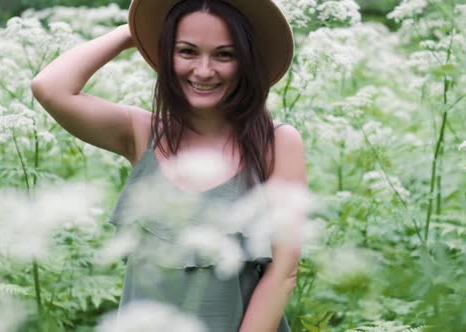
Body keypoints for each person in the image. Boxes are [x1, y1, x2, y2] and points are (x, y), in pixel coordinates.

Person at [31, 0, 307, 330]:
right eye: (187, 51)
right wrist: (132, 33)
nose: (204, 71)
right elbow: (49, 87)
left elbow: (284, 273)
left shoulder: (277, 144)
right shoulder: (142, 132)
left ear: (246, 61)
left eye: (224, 54)